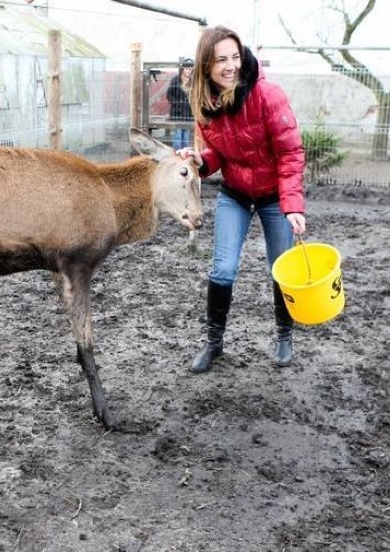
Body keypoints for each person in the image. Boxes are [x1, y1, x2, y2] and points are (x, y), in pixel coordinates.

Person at [177, 26, 307, 373]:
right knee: (222, 268)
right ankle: (214, 343)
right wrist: (201, 160)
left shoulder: (268, 95)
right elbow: (219, 154)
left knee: (281, 269)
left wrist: (292, 205)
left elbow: (291, 153)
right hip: (235, 193)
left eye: (235, 57)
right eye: (221, 59)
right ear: (207, 65)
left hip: (273, 196)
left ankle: (283, 337)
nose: (230, 65)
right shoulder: (206, 104)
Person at [167, 57, 194, 150]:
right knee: (178, 136)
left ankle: (185, 156)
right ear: (182, 69)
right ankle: (177, 155)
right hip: (177, 113)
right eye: (187, 69)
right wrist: (177, 104)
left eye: (191, 69)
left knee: (186, 137)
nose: (188, 71)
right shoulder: (175, 80)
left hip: (188, 114)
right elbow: (169, 94)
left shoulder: (193, 82)